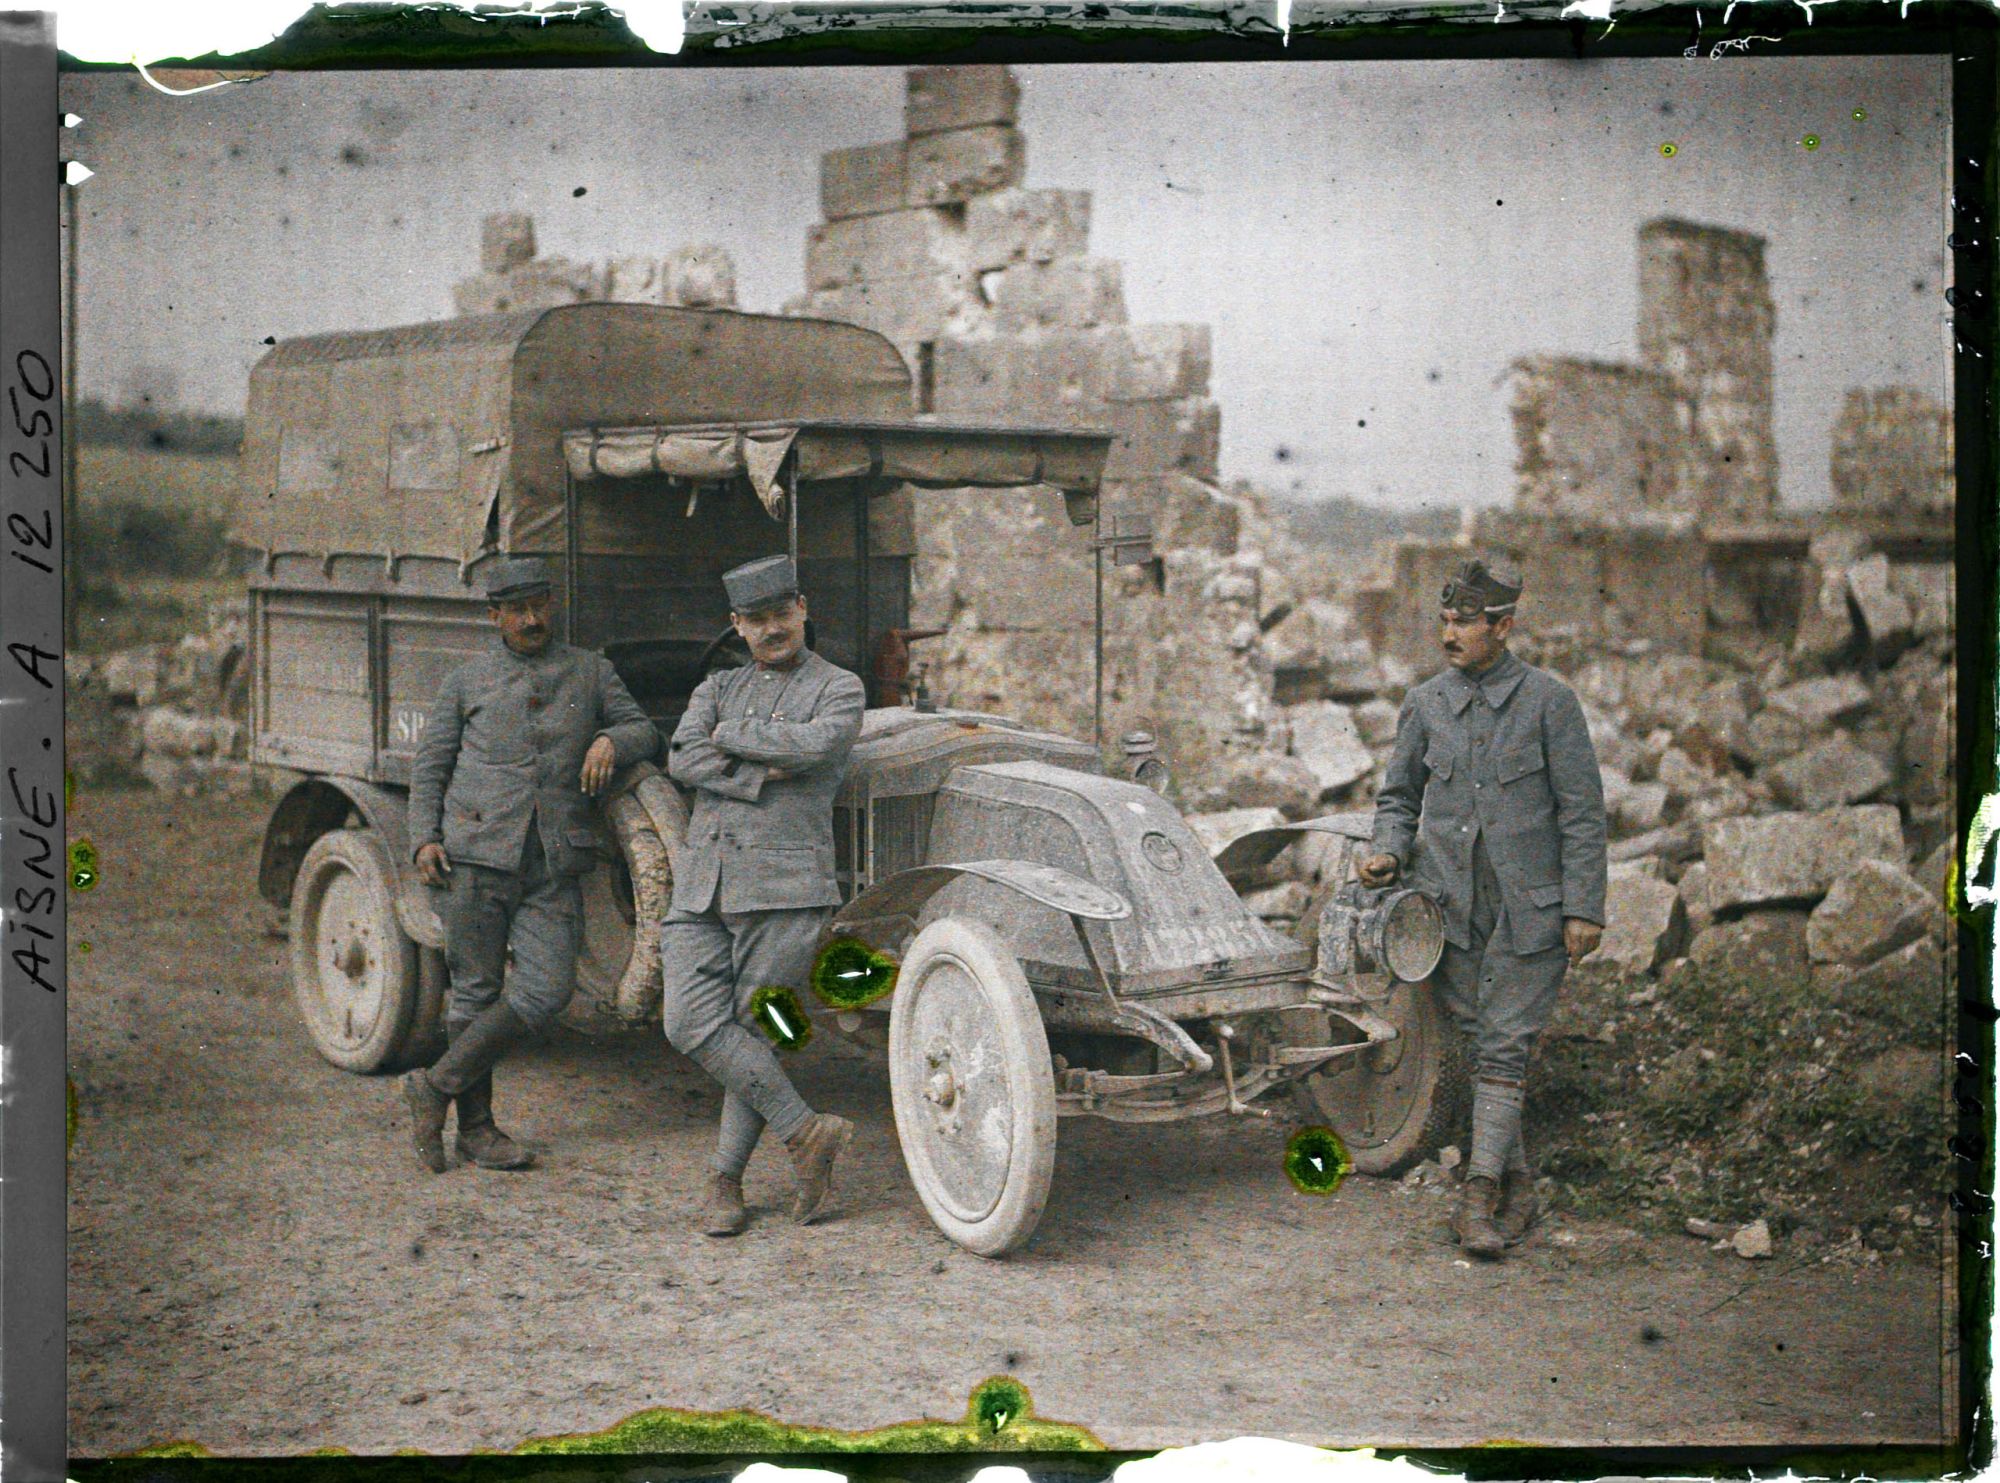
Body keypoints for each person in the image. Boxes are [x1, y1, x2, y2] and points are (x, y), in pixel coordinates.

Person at [1359, 555, 1606, 1259]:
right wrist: (1387, 846)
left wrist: (1583, 906)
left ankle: (1476, 1195)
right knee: (1480, 1043)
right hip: (1450, 911)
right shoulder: (1425, 704)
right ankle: (1518, 1187)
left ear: (1504, 626)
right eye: (1443, 620)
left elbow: (1583, 815)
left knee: (1504, 1045)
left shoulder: (1550, 704)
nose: (1448, 634)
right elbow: (1399, 797)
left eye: (1464, 622)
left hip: (1529, 910)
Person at [402, 557, 661, 1173]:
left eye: (540, 605)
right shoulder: (465, 681)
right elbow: (431, 765)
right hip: (474, 856)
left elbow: (644, 730)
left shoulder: (590, 671)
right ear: (495, 616)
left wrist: (608, 741)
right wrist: (423, 840)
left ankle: (434, 1085)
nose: (531, 618)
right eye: (516, 609)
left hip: (553, 858)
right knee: (473, 990)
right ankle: (477, 1130)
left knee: (547, 990)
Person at [662, 555, 866, 1237]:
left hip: (784, 887)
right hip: (703, 884)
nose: (771, 628)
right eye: (756, 619)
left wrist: (730, 739)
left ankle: (725, 1180)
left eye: (782, 612)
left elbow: (815, 746)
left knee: (756, 1036)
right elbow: (681, 756)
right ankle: (806, 1131)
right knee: (687, 1021)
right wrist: (759, 766)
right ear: (737, 625)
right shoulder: (716, 684)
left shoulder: (841, 687)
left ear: (803, 608)